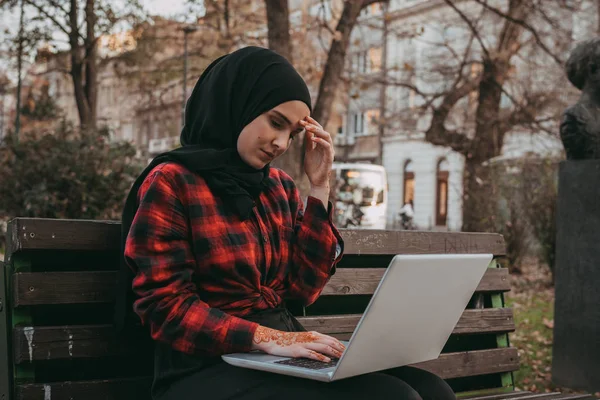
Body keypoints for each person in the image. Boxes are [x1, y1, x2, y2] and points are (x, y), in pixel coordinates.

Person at [115, 46, 455, 400]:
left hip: (278, 356)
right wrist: (269, 339)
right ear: (236, 103)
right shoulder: (172, 181)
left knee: (433, 390)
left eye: (292, 134)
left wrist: (319, 186)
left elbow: (303, 291)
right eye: (276, 123)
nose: (280, 143)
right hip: (203, 368)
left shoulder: (277, 187)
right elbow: (165, 308)